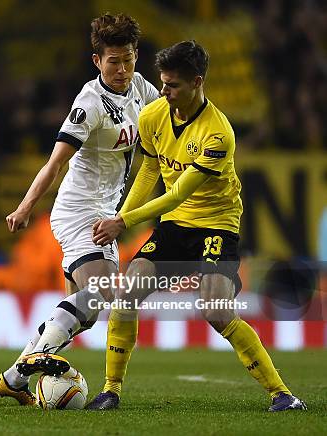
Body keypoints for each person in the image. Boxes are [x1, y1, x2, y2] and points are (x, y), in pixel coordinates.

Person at [83, 40, 306, 412]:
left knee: (215, 308)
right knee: (127, 295)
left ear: (197, 82)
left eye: (173, 85)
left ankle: (282, 394)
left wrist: (122, 221)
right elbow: (150, 172)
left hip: (216, 226)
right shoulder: (153, 115)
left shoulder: (217, 134)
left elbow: (178, 194)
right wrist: (120, 212)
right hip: (175, 227)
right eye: (163, 82)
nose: (164, 92)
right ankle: (110, 390)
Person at [0, 13, 159, 406]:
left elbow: (167, 116)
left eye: (129, 58)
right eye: (113, 61)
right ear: (96, 60)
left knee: (89, 310)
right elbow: (55, 163)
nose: (122, 69)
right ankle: (19, 373)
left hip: (107, 210)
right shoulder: (89, 103)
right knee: (101, 291)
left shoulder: (140, 87)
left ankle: (14, 378)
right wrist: (25, 206)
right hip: (81, 209)